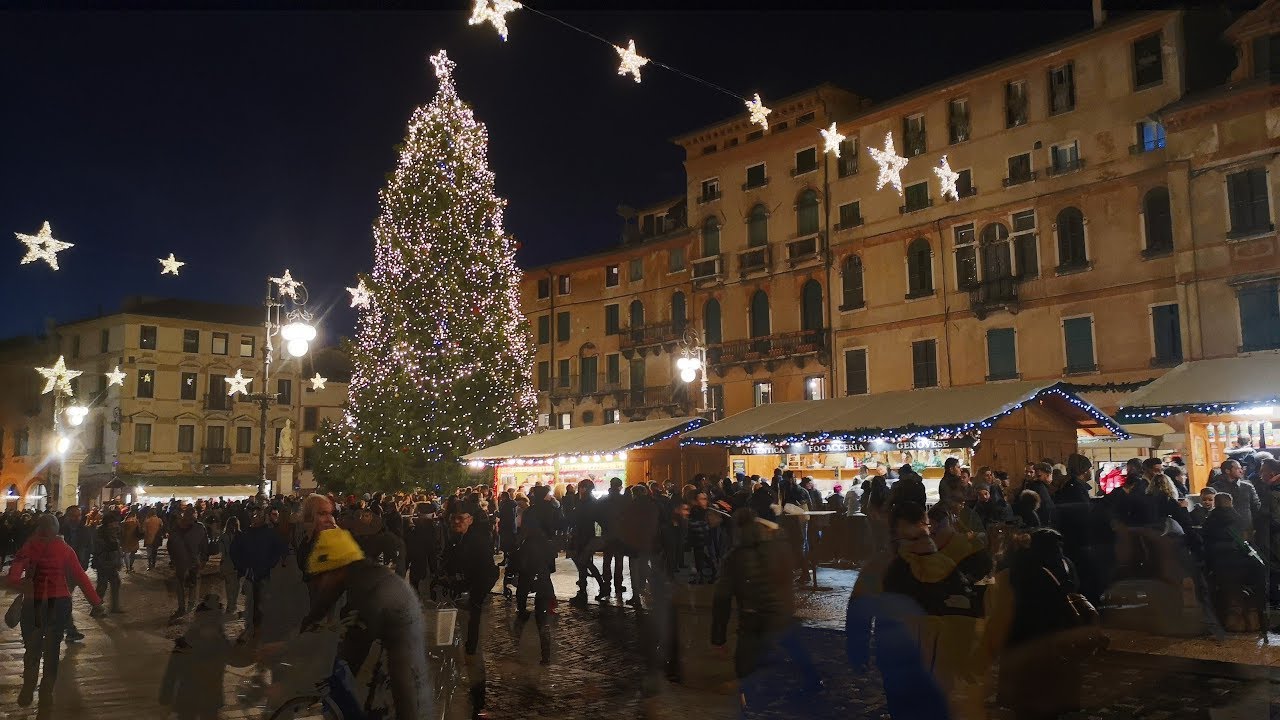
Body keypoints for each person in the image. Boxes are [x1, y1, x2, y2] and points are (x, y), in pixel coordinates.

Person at [303, 529, 431, 720]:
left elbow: (359, 634)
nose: (321, 581)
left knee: (403, 681)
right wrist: (306, 625)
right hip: (378, 614)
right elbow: (326, 600)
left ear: (336, 568)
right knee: (351, 674)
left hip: (402, 621)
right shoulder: (345, 571)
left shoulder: (364, 582)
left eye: (323, 575)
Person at [711, 508, 821, 713]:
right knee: (796, 650)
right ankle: (813, 683)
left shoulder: (733, 558)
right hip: (781, 613)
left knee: (746, 666)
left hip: (752, 619)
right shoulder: (779, 548)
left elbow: (722, 598)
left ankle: (751, 705)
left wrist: (718, 637)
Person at [7, 513, 106, 709]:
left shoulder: (28, 547)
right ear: (56, 529)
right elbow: (80, 577)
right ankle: (46, 688)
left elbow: (13, 577)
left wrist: (23, 585)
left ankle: (29, 684)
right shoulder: (65, 549)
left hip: (33, 604)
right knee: (52, 649)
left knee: (32, 646)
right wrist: (96, 602)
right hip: (59, 603)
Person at [443, 509, 500, 718]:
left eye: (460, 518)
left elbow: (487, 573)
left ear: (470, 520)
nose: (456, 521)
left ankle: (478, 700)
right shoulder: (453, 540)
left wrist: (473, 595)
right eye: (453, 518)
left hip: (470, 604)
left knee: (473, 651)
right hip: (452, 602)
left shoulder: (479, 541)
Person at [167, 507, 210, 620]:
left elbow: (170, 545)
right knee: (191, 584)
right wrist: (204, 558)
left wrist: (172, 559)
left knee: (185, 585)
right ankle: (188, 608)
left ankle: (184, 608)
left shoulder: (177, 528)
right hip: (189, 561)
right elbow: (204, 545)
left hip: (184, 562)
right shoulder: (199, 528)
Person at [1213, 459, 1261, 535]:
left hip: (1246, 529)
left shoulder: (1247, 487)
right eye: (1238, 468)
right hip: (1224, 530)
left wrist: (1256, 527)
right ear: (1227, 471)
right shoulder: (1216, 488)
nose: (1241, 471)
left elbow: (1256, 507)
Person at [92, 510, 125, 613]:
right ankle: (96, 608)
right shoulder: (100, 532)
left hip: (111, 562)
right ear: (108, 523)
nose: (116, 524)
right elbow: (102, 547)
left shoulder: (114, 531)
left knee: (115, 583)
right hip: (103, 562)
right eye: (114, 522)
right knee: (102, 585)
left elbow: (117, 547)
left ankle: (113, 607)